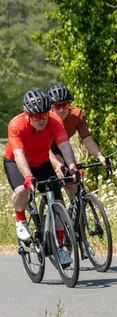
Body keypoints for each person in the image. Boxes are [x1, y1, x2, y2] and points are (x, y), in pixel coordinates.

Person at [3, 90, 78, 265]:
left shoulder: (54, 120)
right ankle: (21, 221)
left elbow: (64, 145)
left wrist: (72, 166)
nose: (42, 120)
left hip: (42, 162)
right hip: (16, 162)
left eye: (45, 115)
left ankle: (61, 247)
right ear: (27, 115)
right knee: (21, 190)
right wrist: (28, 177)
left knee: (57, 202)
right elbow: (19, 154)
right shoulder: (16, 125)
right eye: (37, 117)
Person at [47, 84, 108, 200]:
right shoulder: (46, 119)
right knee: (59, 164)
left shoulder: (76, 115)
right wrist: (57, 164)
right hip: (47, 149)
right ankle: (57, 210)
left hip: (63, 147)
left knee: (75, 186)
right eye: (57, 106)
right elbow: (45, 149)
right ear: (51, 107)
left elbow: (87, 139)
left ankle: (76, 215)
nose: (61, 110)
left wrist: (100, 156)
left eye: (64, 105)